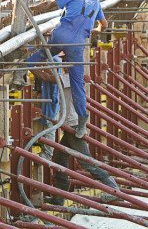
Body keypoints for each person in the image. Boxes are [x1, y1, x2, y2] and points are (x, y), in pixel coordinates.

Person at [25, 0, 107, 139]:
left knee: (31, 61)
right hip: (77, 45)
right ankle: (82, 121)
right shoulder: (96, 1)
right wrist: (93, 30)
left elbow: (49, 4)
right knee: (78, 85)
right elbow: (104, 25)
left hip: (59, 38)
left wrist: (29, 8)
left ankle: (32, 76)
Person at [43, 72, 119, 206]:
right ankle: (59, 198)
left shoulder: (70, 76)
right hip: (70, 124)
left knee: (86, 161)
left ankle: (113, 189)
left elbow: (49, 78)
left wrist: (30, 65)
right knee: (59, 159)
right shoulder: (72, 75)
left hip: (74, 125)